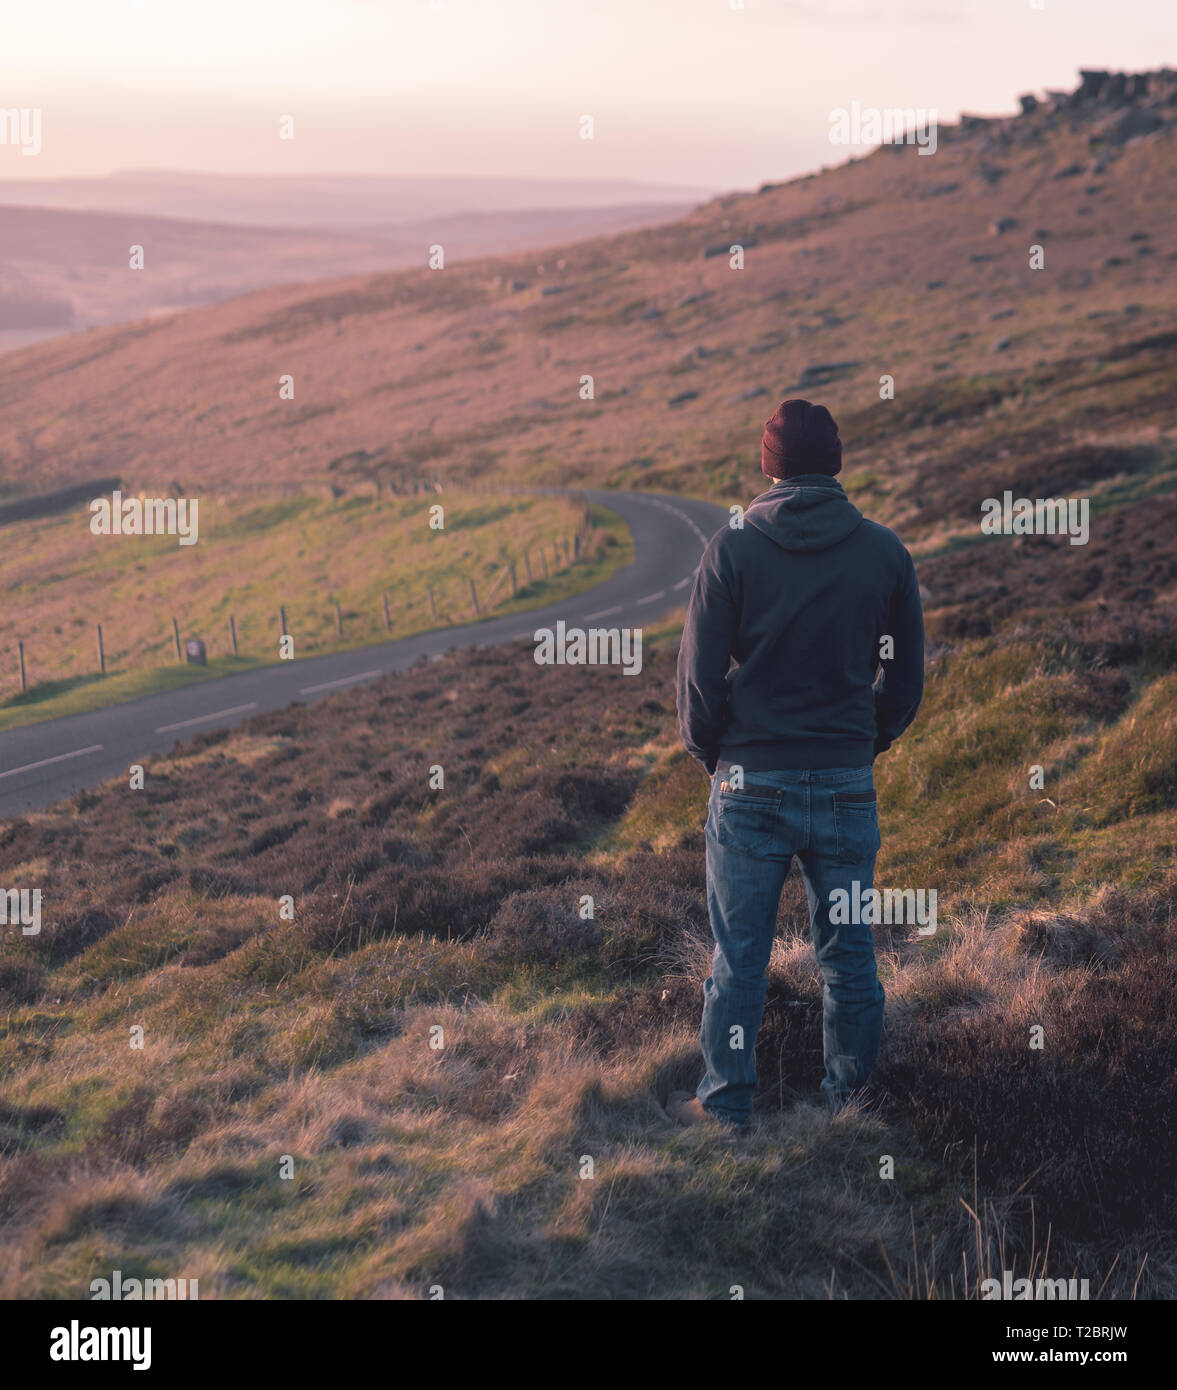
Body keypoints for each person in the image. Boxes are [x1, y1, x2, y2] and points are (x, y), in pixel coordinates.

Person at [670, 399, 924, 1127]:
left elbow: (697, 678)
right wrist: (860, 743)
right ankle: (850, 1104)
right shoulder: (883, 552)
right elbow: (904, 681)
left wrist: (715, 754)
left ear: (767, 464)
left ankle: (724, 1108)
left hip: (749, 779)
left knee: (739, 959)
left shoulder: (732, 546)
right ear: (835, 463)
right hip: (844, 782)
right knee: (848, 955)